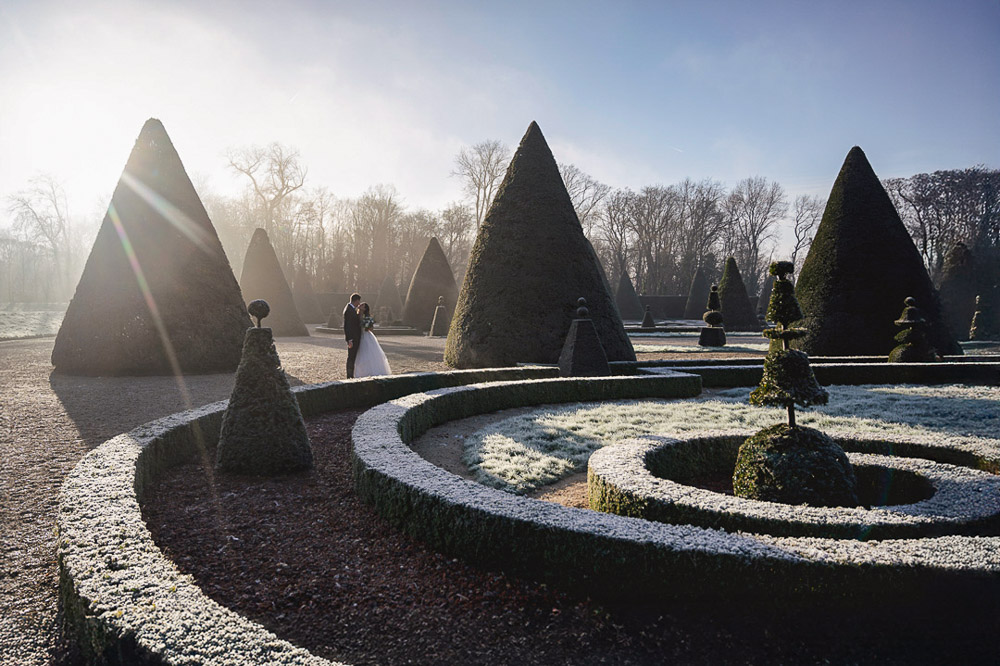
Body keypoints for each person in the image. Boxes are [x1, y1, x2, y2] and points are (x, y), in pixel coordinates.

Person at [353, 302, 392, 378]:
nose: (360, 305)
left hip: (366, 336)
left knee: (367, 354)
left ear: (365, 309)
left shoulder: (367, 317)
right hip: (358, 336)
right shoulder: (355, 314)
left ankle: (370, 372)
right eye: (360, 305)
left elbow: (370, 328)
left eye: (362, 305)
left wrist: (365, 325)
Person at [343, 293, 362, 378]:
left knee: (352, 357)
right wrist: (349, 339)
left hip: (354, 337)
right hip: (353, 338)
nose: (359, 303)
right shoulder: (349, 310)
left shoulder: (351, 309)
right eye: (359, 301)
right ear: (356, 300)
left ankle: (351, 375)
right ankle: (349, 376)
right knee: (351, 357)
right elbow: (347, 326)